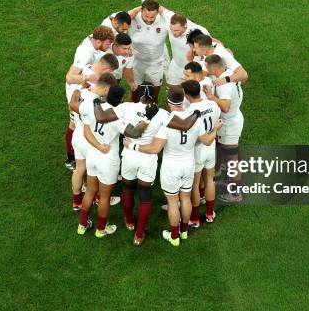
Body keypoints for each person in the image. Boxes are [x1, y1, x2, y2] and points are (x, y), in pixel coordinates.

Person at [92, 83, 200, 245]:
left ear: (138, 95)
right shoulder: (162, 114)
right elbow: (184, 125)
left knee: (128, 191)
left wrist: (95, 103)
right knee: (145, 197)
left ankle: (129, 221)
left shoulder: (126, 107)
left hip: (129, 156)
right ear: (154, 97)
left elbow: (101, 116)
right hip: (148, 159)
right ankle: (139, 234)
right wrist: (196, 115)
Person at [124, 87, 220, 247]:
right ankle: (184, 231)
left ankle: (174, 236)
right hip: (189, 164)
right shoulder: (195, 120)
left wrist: (133, 146)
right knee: (185, 198)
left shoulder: (167, 122)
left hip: (171, 168)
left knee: (173, 201)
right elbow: (206, 141)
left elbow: (155, 149)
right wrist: (216, 128)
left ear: (168, 102)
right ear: (183, 100)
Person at [77, 86, 148, 238]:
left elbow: (86, 130)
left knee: (90, 191)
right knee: (104, 197)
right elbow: (134, 133)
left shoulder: (94, 108)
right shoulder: (116, 117)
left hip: (93, 155)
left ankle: (82, 225)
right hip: (108, 160)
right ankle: (100, 229)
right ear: (121, 100)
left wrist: (97, 146)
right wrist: (146, 120)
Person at [63, 26, 115, 169]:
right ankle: (71, 157)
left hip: (82, 88)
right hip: (75, 91)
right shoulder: (85, 53)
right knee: (75, 125)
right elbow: (69, 77)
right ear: (98, 42)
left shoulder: (94, 40)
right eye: (107, 44)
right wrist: (87, 77)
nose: (109, 46)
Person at [68, 73, 117, 211]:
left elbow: (71, 106)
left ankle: (76, 202)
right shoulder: (97, 103)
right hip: (89, 139)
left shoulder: (81, 92)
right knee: (95, 172)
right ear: (106, 89)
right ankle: (97, 198)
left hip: (76, 135)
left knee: (79, 169)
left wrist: (78, 89)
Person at [203, 55, 245, 203]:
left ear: (214, 68)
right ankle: (228, 183)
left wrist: (211, 97)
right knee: (226, 157)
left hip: (229, 125)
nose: (207, 70)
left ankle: (235, 194)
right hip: (234, 118)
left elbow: (225, 107)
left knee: (232, 160)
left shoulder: (223, 85)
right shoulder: (229, 74)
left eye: (208, 68)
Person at [181, 80, 222, 226]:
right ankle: (210, 214)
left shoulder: (189, 112)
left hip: (197, 150)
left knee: (195, 185)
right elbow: (217, 121)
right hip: (210, 149)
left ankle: (195, 218)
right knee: (210, 180)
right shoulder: (212, 104)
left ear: (186, 95)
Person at [128, 0, 169, 103]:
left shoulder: (164, 20)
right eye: (146, 16)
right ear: (141, 10)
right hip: (136, 62)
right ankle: (133, 111)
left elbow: (182, 24)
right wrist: (136, 9)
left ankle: (153, 111)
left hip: (155, 63)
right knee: (135, 92)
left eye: (152, 17)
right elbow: (121, 18)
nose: (149, 20)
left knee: (154, 95)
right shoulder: (133, 18)